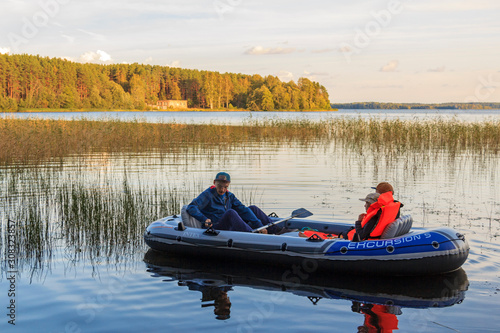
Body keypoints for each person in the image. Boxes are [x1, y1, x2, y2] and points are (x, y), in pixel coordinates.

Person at [187, 172, 281, 233]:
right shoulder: (208, 195)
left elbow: (243, 210)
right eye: (220, 186)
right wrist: (204, 219)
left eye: (225, 187)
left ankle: (275, 230)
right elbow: (191, 207)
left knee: (252, 208)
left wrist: (260, 226)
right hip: (216, 226)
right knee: (231, 213)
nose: (222, 189)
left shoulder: (229, 196)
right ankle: (252, 234)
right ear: (214, 182)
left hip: (228, 224)